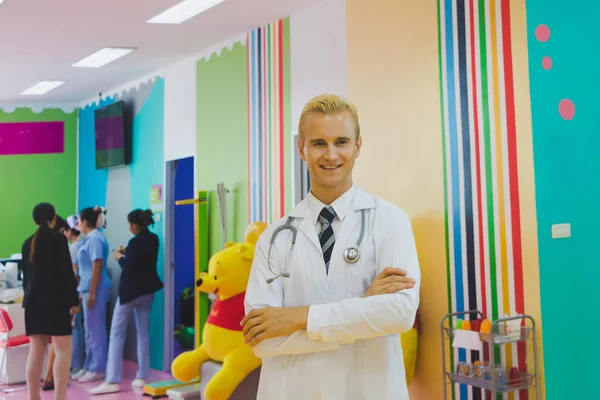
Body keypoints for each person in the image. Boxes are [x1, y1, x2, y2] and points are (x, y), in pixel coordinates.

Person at [241, 94, 421, 400]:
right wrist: (362, 309)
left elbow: (399, 313)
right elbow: (262, 339)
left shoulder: (391, 221)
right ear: (302, 148)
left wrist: (298, 318)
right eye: (319, 143)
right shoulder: (274, 237)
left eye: (341, 142)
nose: (331, 155)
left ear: (357, 146)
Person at [89, 209, 163, 395]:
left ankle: (112, 379)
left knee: (116, 334)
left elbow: (129, 268)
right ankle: (142, 375)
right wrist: (127, 252)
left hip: (130, 294)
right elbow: (143, 258)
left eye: (130, 224)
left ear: (134, 225)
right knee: (143, 333)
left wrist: (119, 257)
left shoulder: (134, 242)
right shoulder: (153, 239)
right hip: (148, 292)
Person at [21, 203, 79, 400]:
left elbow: (26, 279)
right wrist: (74, 301)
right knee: (62, 351)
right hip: (56, 303)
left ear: (34, 221)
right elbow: (66, 274)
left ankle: (33, 397)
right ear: (54, 218)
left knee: (35, 352)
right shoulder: (59, 240)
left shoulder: (27, 243)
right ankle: (59, 397)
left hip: (32, 303)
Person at [71, 206, 112, 383]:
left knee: (96, 330)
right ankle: (88, 365)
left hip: (96, 288)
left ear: (85, 222)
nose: (77, 224)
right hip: (87, 288)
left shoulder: (95, 238)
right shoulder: (89, 239)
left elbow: (97, 265)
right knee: (89, 330)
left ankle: (98, 368)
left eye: (79, 220)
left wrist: (93, 293)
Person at [63, 214, 85, 376]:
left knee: (76, 327)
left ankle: (76, 364)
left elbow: (74, 273)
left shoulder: (73, 248)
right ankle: (80, 363)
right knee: (82, 327)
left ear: (70, 231)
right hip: (83, 289)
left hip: (77, 291)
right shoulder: (83, 243)